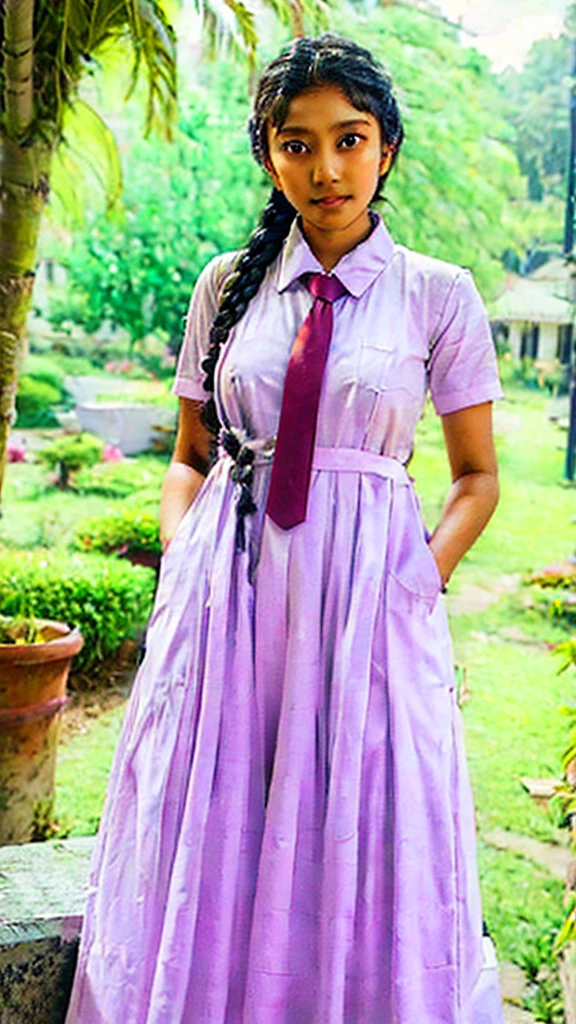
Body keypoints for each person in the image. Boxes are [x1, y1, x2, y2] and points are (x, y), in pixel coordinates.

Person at [66, 33, 505, 1024]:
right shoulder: (228, 284)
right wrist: (184, 558)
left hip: (365, 601)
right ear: (267, 153)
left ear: (385, 147)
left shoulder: (439, 294)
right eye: (296, 143)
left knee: (362, 801)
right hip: (228, 591)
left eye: (349, 139)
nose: (326, 167)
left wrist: (411, 583)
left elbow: (477, 479)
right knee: (218, 805)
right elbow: (190, 453)